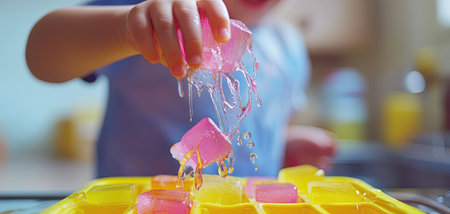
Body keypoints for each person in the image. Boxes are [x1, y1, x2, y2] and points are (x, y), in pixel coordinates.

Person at [26, 0, 335, 178]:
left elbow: (261, 130)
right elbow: (41, 53)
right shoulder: (156, 24)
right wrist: (125, 30)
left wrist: (285, 145)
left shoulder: (289, 47)